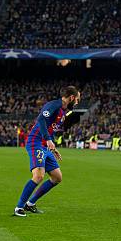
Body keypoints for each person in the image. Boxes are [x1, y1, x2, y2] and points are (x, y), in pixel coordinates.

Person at [13, 86, 81, 217]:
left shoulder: (62, 111)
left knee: (57, 177)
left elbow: (50, 128)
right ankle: (19, 208)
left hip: (45, 146)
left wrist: (52, 147)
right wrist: (48, 140)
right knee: (38, 175)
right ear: (71, 98)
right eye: (77, 99)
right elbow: (41, 119)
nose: (77, 102)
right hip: (36, 142)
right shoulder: (55, 104)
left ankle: (30, 203)